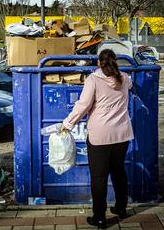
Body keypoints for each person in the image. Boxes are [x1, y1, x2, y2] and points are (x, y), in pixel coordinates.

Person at [61, 49, 134, 229]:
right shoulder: (123, 78)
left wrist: (67, 123)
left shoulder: (93, 79)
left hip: (99, 137)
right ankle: (121, 209)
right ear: (115, 61)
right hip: (122, 135)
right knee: (119, 172)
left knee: (99, 177)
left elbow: (83, 105)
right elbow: (130, 85)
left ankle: (100, 218)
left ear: (99, 63)